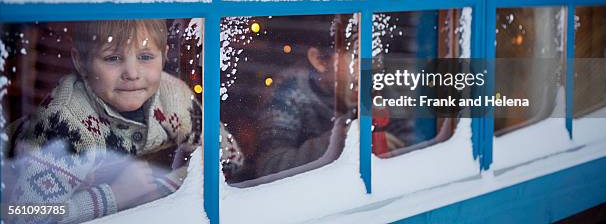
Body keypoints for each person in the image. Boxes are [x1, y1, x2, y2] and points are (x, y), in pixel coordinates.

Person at [7, 20, 242, 224]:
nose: (132, 72)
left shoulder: (173, 96)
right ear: (81, 62)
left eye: (146, 57)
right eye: (113, 58)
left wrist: (169, 182)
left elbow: (231, 157)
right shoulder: (64, 123)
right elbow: (24, 215)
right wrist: (115, 195)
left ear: (165, 55)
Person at [254, 15, 407, 179]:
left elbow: (409, 135)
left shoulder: (377, 84)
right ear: (319, 60)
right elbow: (268, 167)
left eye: (375, 55)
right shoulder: (287, 94)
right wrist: (342, 140)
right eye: (356, 56)